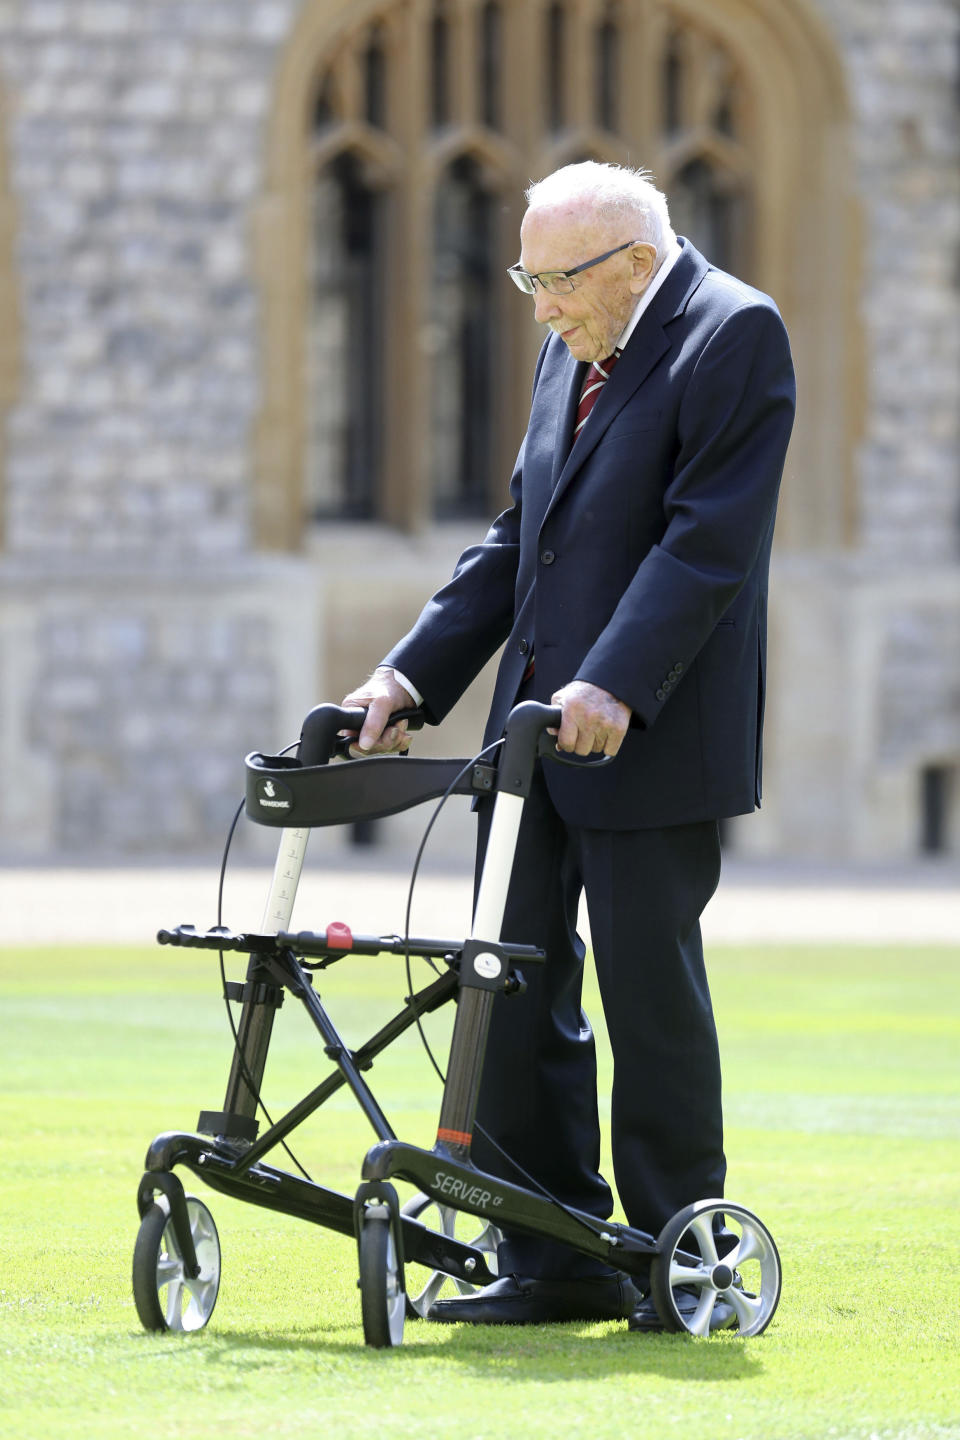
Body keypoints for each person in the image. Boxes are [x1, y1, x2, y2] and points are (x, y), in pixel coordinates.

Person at [341, 161, 795, 1331]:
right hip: (528, 735)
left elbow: (706, 544)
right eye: (527, 278)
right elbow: (519, 538)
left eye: (554, 281)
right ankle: (547, 1252)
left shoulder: (735, 334)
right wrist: (409, 674)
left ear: (635, 263)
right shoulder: (576, 342)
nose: (537, 305)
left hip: (648, 731)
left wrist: (617, 684)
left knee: (649, 997)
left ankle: (670, 1252)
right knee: (506, 983)